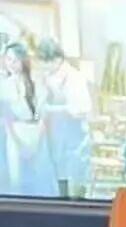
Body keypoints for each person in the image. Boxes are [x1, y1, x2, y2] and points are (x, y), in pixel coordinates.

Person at [35, 37, 93, 199]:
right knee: (57, 187)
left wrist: (54, 110)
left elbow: (82, 108)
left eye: (46, 62)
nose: (44, 67)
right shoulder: (47, 77)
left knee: (75, 191)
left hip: (74, 141)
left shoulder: (74, 77)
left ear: (57, 59)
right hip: (54, 141)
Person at [0, 41, 57, 198]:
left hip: (37, 132)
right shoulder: (5, 85)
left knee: (41, 178)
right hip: (16, 132)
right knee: (16, 179)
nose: (11, 64)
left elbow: (44, 114)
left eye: (15, 60)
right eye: (8, 59)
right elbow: (7, 118)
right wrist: (18, 142)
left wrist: (38, 138)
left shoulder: (38, 82)